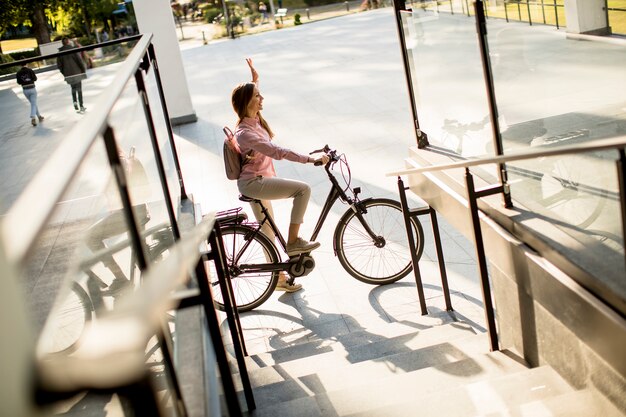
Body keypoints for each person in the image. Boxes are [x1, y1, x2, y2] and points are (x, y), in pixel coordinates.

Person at [231, 58, 329, 292]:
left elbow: (252, 97)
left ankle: (278, 279)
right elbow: (277, 152)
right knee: (302, 189)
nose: (262, 98)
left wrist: (254, 80)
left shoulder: (253, 121)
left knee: (266, 231)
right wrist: (309, 158)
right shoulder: (246, 133)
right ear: (248, 102)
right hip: (254, 183)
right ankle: (294, 242)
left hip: (256, 182)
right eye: (257, 96)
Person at [57, 37, 87, 113]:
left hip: (68, 74)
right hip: (77, 72)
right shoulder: (73, 49)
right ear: (68, 42)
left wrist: (64, 73)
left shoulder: (60, 53)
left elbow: (59, 66)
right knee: (79, 89)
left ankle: (75, 102)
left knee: (73, 88)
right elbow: (79, 60)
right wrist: (83, 70)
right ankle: (81, 106)